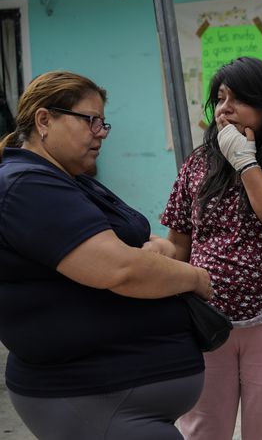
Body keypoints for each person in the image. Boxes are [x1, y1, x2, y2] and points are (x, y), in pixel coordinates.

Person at [0, 71, 212, 440]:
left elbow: (136, 244)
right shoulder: (26, 186)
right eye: (90, 121)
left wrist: (158, 253)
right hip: (91, 396)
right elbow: (122, 270)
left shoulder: (67, 178)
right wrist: (196, 278)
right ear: (44, 120)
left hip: (114, 396)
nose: (101, 132)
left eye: (103, 123)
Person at [161, 57, 262, 440]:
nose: (225, 109)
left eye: (238, 98)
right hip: (205, 322)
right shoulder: (198, 164)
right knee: (201, 431)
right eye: (219, 98)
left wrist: (244, 161)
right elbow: (178, 245)